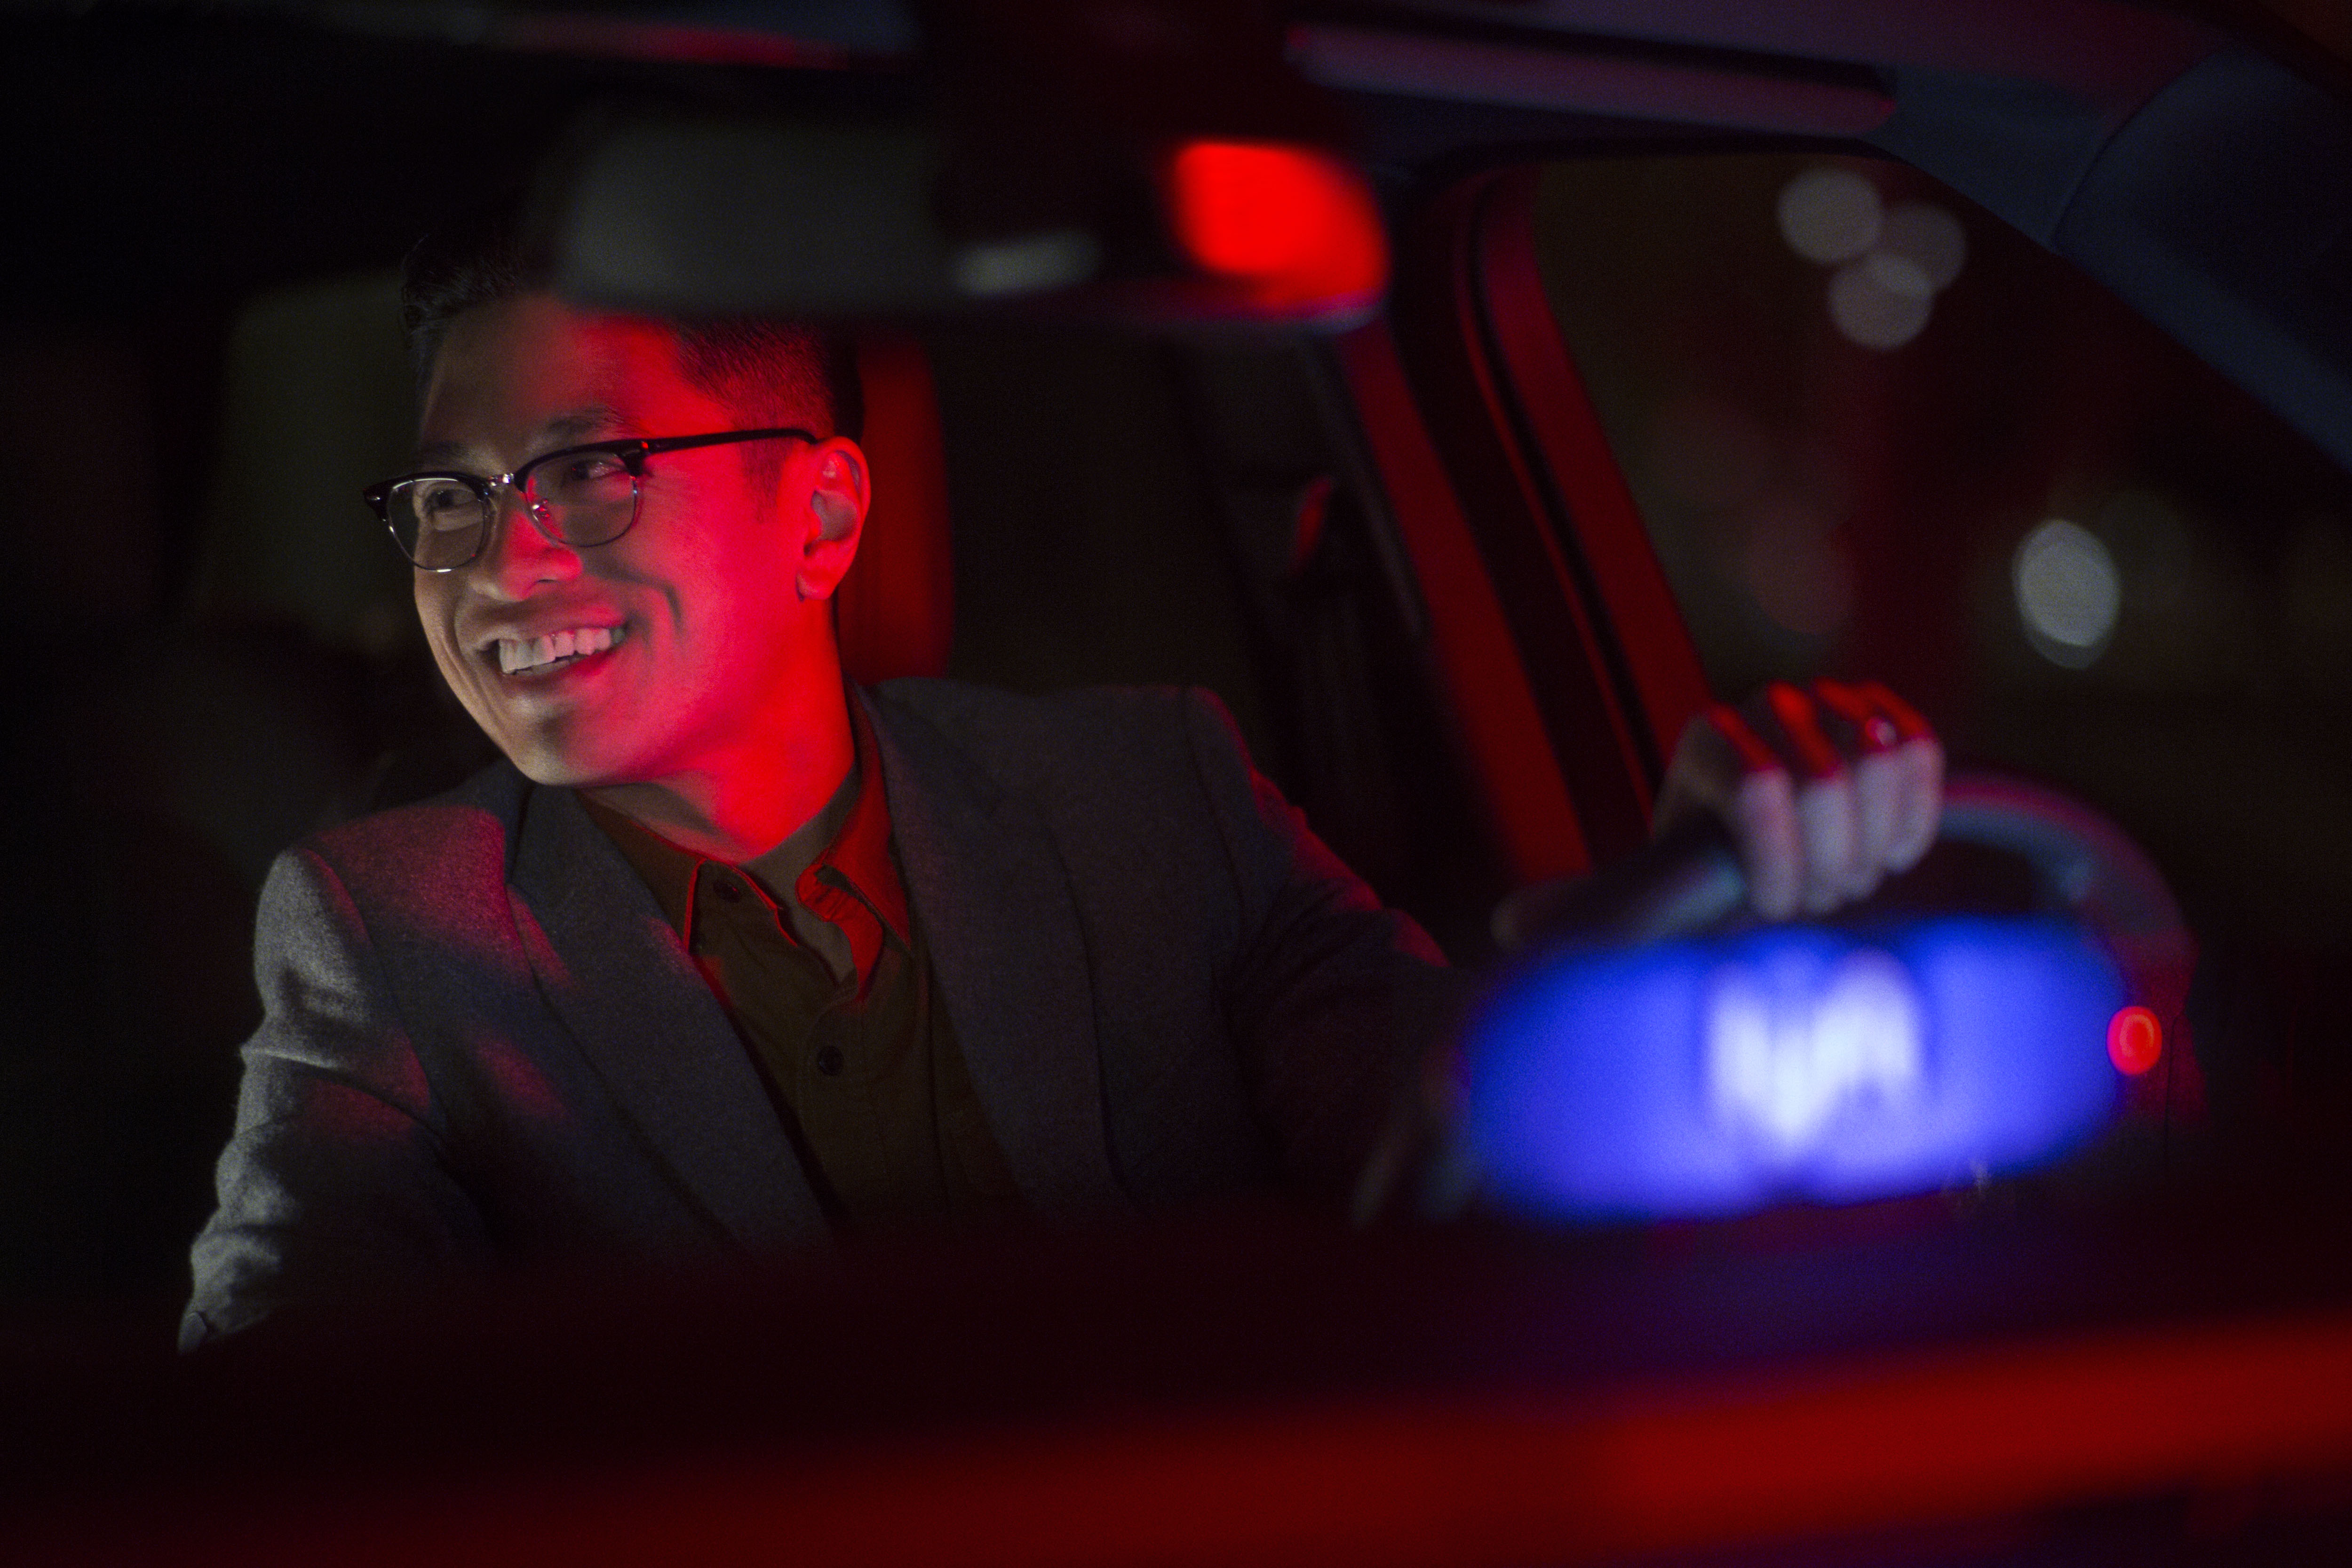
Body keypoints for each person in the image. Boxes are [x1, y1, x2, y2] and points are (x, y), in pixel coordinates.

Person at [181, 214, 1940, 1349]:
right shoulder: (389, 931)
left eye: (592, 474)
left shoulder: (1147, 791)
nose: (502, 567)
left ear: (825, 517)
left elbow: (1465, 1131)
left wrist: (1704, 911)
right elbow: (274, 1395)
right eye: (453, 502)